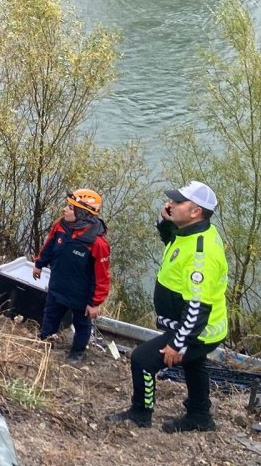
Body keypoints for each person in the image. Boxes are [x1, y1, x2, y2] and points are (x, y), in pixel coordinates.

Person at [107, 181, 229, 433]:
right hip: (195, 326)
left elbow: (197, 308)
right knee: (194, 365)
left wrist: (177, 344)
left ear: (195, 211)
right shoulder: (192, 230)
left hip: (199, 330)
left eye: (177, 202)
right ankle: (200, 416)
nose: (170, 204)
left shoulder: (201, 257)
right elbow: (171, 240)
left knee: (142, 360)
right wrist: (165, 221)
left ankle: (141, 412)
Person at [32, 188, 112, 363]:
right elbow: (49, 245)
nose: (65, 210)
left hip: (81, 296)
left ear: (82, 213)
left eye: (70, 207)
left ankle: (77, 353)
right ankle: (45, 341)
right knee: (50, 315)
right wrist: (39, 264)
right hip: (57, 285)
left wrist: (95, 303)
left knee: (82, 325)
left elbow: (102, 276)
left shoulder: (97, 243)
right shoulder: (61, 226)